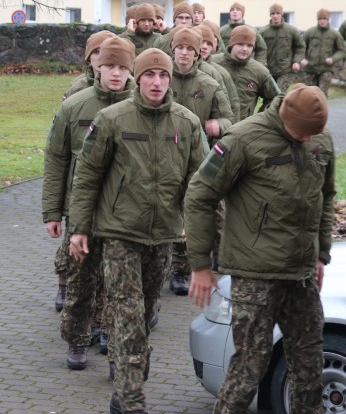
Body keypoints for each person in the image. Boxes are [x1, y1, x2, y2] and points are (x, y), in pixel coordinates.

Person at [68, 48, 207, 414]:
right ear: (137, 77)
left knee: (144, 313)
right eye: (149, 75)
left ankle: (126, 381)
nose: (156, 82)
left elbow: (201, 182)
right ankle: (131, 399)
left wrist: (196, 226)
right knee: (127, 311)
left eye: (163, 76)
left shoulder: (187, 123)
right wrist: (79, 227)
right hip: (119, 232)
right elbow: (87, 176)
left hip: (163, 235)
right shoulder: (112, 118)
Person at [185, 85, 336, 414]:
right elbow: (199, 195)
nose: (308, 139)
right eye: (302, 133)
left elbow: (325, 197)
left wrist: (321, 254)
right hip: (255, 274)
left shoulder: (320, 138)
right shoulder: (243, 139)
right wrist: (200, 264)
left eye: (313, 134)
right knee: (249, 367)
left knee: (310, 365)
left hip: (300, 275)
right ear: (285, 118)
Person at [43, 37, 136, 371]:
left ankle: (112, 339)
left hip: (125, 210)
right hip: (82, 207)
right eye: (110, 65)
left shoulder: (142, 106)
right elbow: (56, 158)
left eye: (122, 67)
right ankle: (78, 338)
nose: (116, 73)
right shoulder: (74, 105)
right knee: (82, 280)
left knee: (118, 283)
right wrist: (53, 211)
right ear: (97, 66)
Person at [167, 26, 233, 295]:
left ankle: (184, 268)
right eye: (180, 48)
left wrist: (218, 124)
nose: (184, 53)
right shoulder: (161, 77)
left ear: (197, 54)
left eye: (189, 49)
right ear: (172, 50)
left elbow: (229, 118)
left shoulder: (209, 84)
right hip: (164, 153)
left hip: (198, 155)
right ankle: (169, 266)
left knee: (193, 209)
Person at [210, 25, 280, 120]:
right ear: (232, 44)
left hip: (242, 125)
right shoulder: (212, 63)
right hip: (213, 124)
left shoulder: (259, 71)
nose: (245, 49)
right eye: (240, 44)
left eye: (249, 46)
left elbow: (276, 98)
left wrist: (259, 118)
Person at [300, 8, 346, 97]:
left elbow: (342, 50)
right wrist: (303, 58)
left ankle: (322, 106)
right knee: (310, 94)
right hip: (310, 68)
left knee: (322, 94)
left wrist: (333, 59)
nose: (322, 21)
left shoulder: (334, 34)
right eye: (320, 19)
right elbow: (301, 47)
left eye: (324, 19)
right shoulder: (310, 32)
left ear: (328, 20)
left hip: (326, 69)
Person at [259, 3, 304, 90]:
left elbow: (300, 47)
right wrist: (262, 62)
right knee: (271, 93)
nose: (275, 16)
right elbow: (259, 49)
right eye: (273, 14)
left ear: (282, 14)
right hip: (269, 69)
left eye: (278, 13)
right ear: (270, 15)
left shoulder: (291, 30)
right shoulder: (263, 32)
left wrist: (296, 61)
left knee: (280, 92)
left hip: (285, 70)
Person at [62, 29, 116, 101]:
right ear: (89, 56)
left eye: (107, 52)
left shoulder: (128, 86)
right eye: (96, 52)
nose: (101, 57)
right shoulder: (77, 88)